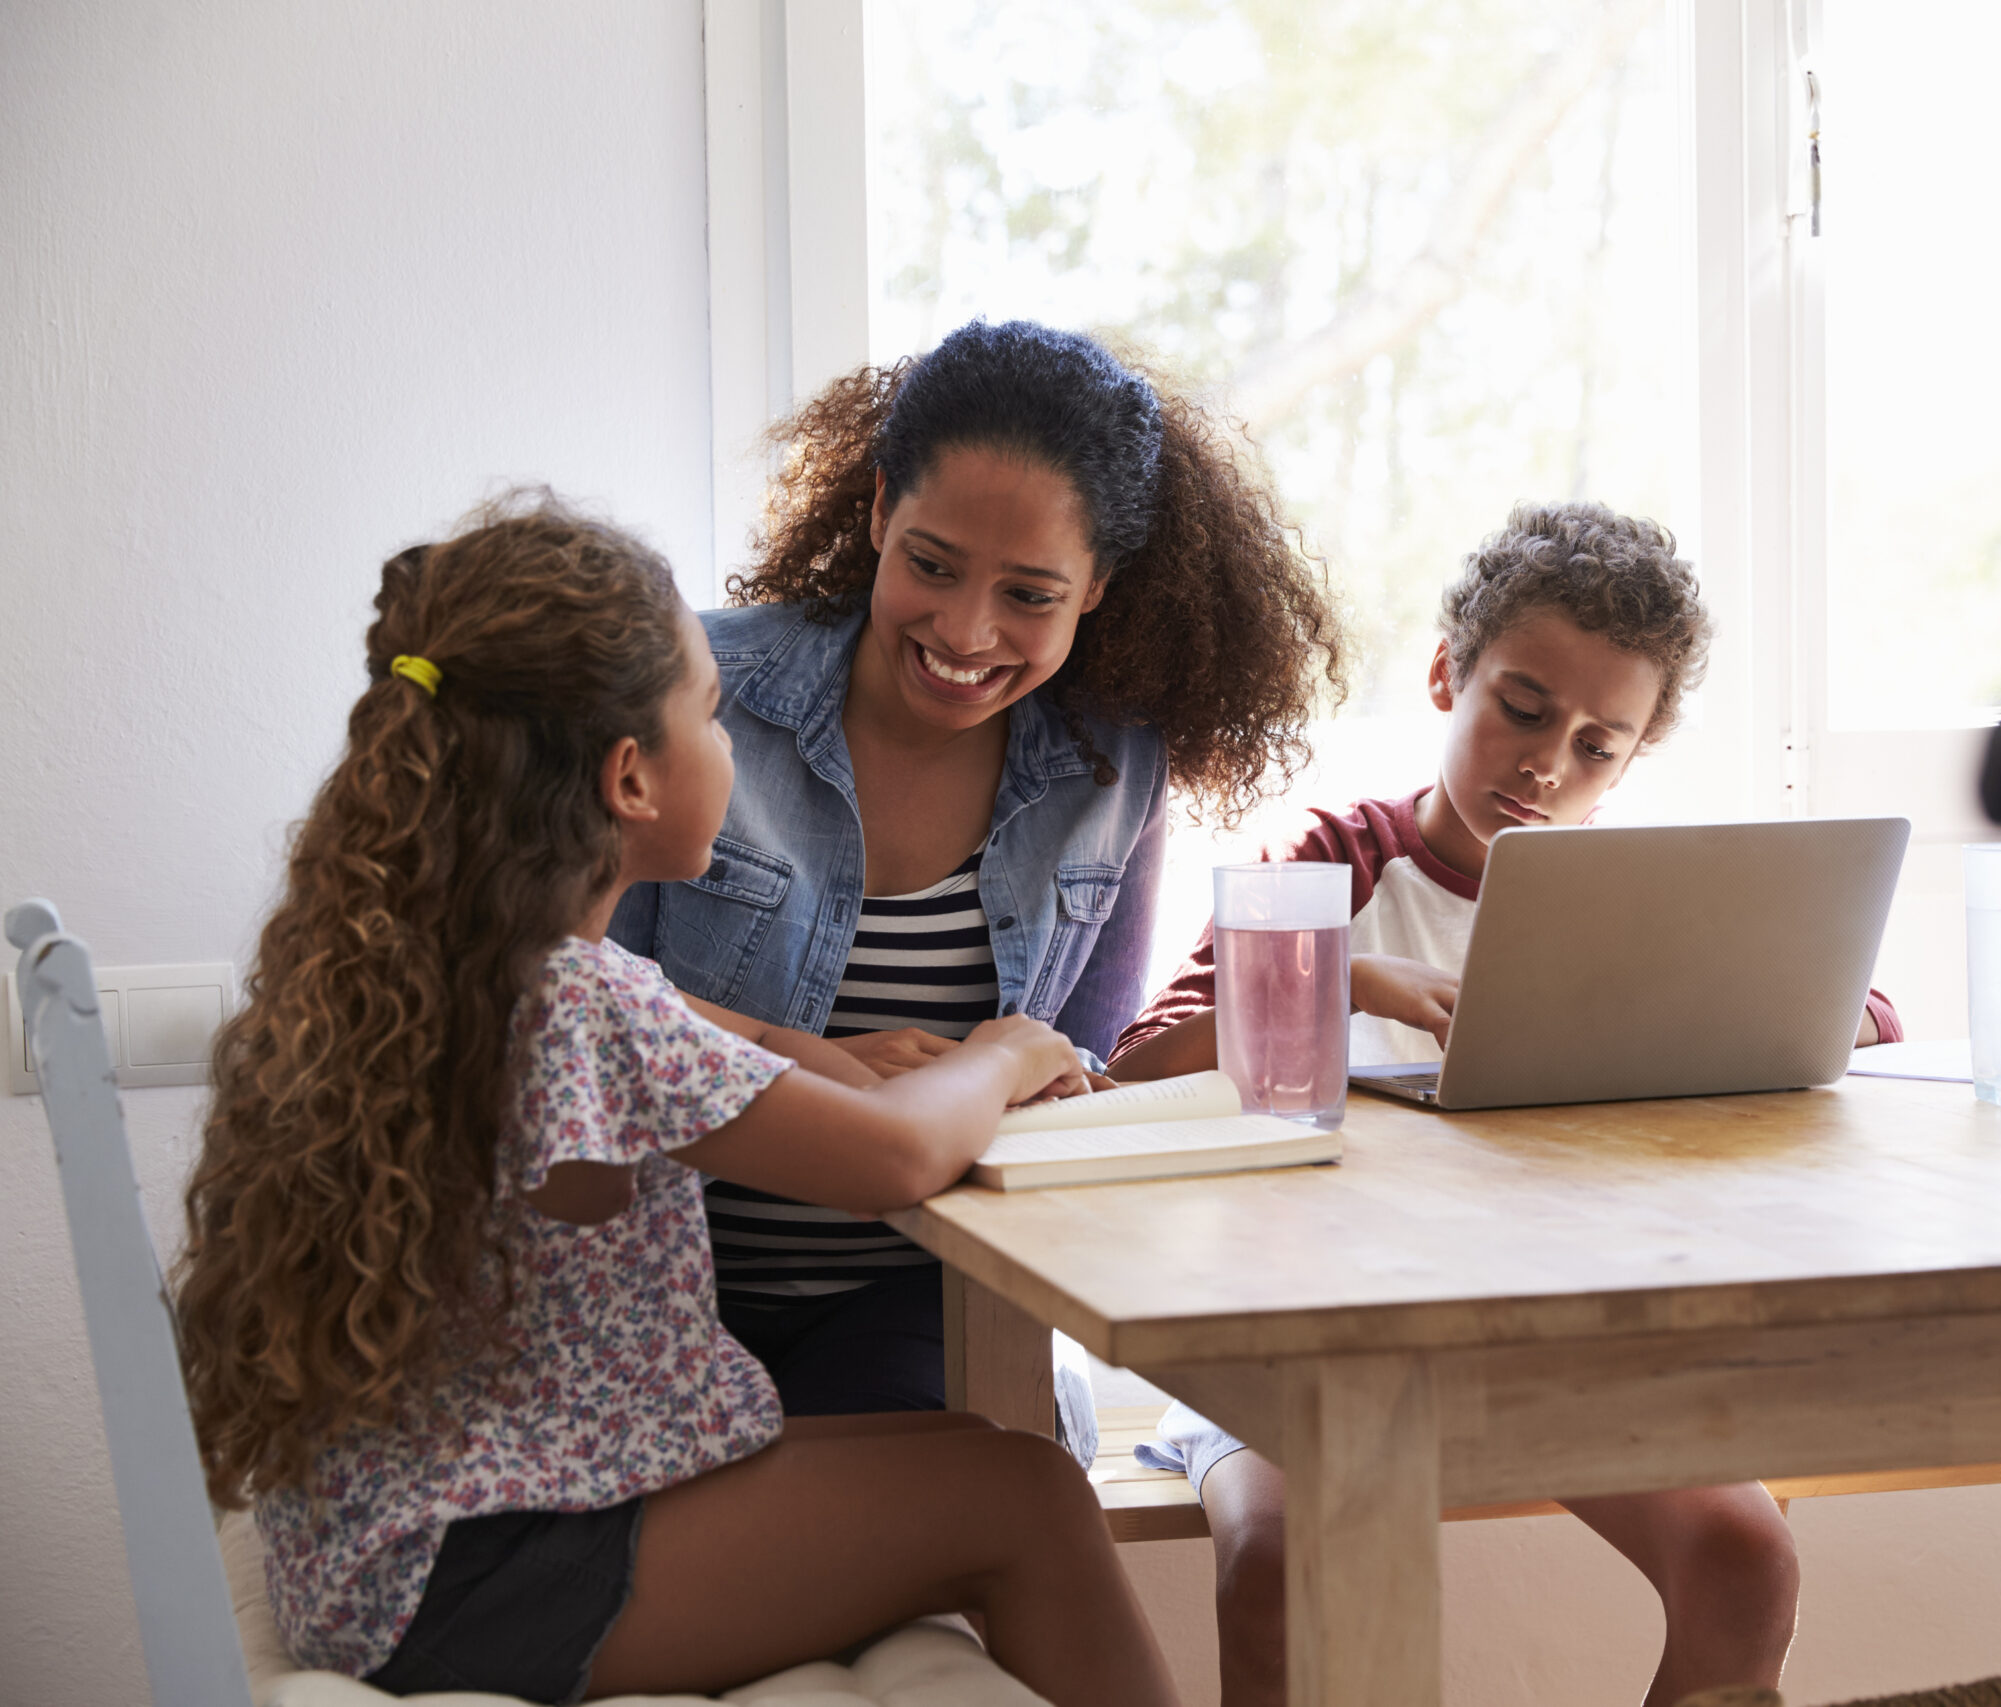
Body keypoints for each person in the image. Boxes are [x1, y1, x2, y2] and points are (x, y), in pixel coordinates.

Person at [173, 498, 1180, 1707]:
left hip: (401, 1553)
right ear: (631, 778)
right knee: (1031, 1500)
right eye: (712, 713)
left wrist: (836, 1054)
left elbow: (734, 1036)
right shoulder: (580, 1009)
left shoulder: (456, 962)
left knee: (975, 1454)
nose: (735, 745)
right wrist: (1010, 1053)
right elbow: (894, 1162)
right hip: (487, 1579)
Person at [1112, 502, 1904, 1707]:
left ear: (1635, 757)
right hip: (1291, 1333)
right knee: (1280, 1561)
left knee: (1744, 1558)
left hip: (1540, 1337)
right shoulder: (1331, 859)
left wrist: (1731, 993)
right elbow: (1140, 1063)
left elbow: (1868, 1014)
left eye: (1598, 744)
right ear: (1447, 675)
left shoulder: (1638, 896)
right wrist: (1345, 977)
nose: (1547, 764)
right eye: (1522, 711)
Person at [610, 319, 1342, 1418]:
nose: (965, 630)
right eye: (931, 566)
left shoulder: (1113, 764)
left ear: (1097, 586)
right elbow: (562, 1004)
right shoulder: (692, 694)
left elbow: (1073, 1060)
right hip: (650, 1290)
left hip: (919, 1298)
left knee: (954, 1493)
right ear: (875, 512)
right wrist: (804, 1062)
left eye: (1030, 595)